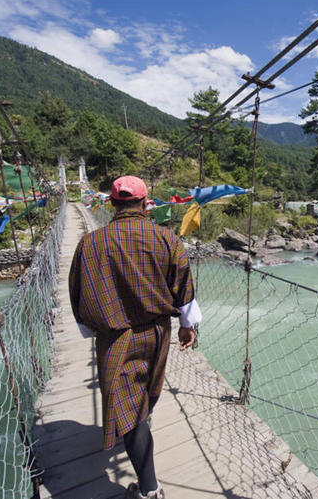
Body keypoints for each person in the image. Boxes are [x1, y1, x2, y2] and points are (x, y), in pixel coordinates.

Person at [69, 175, 202, 499]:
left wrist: (91, 329)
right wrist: (188, 325)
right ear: (145, 204)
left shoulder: (91, 243)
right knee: (142, 401)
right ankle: (149, 482)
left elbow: (77, 293)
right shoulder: (167, 240)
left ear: (112, 204)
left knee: (131, 410)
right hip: (157, 334)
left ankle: (149, 490)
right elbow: (182, 287)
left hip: (115, 338)